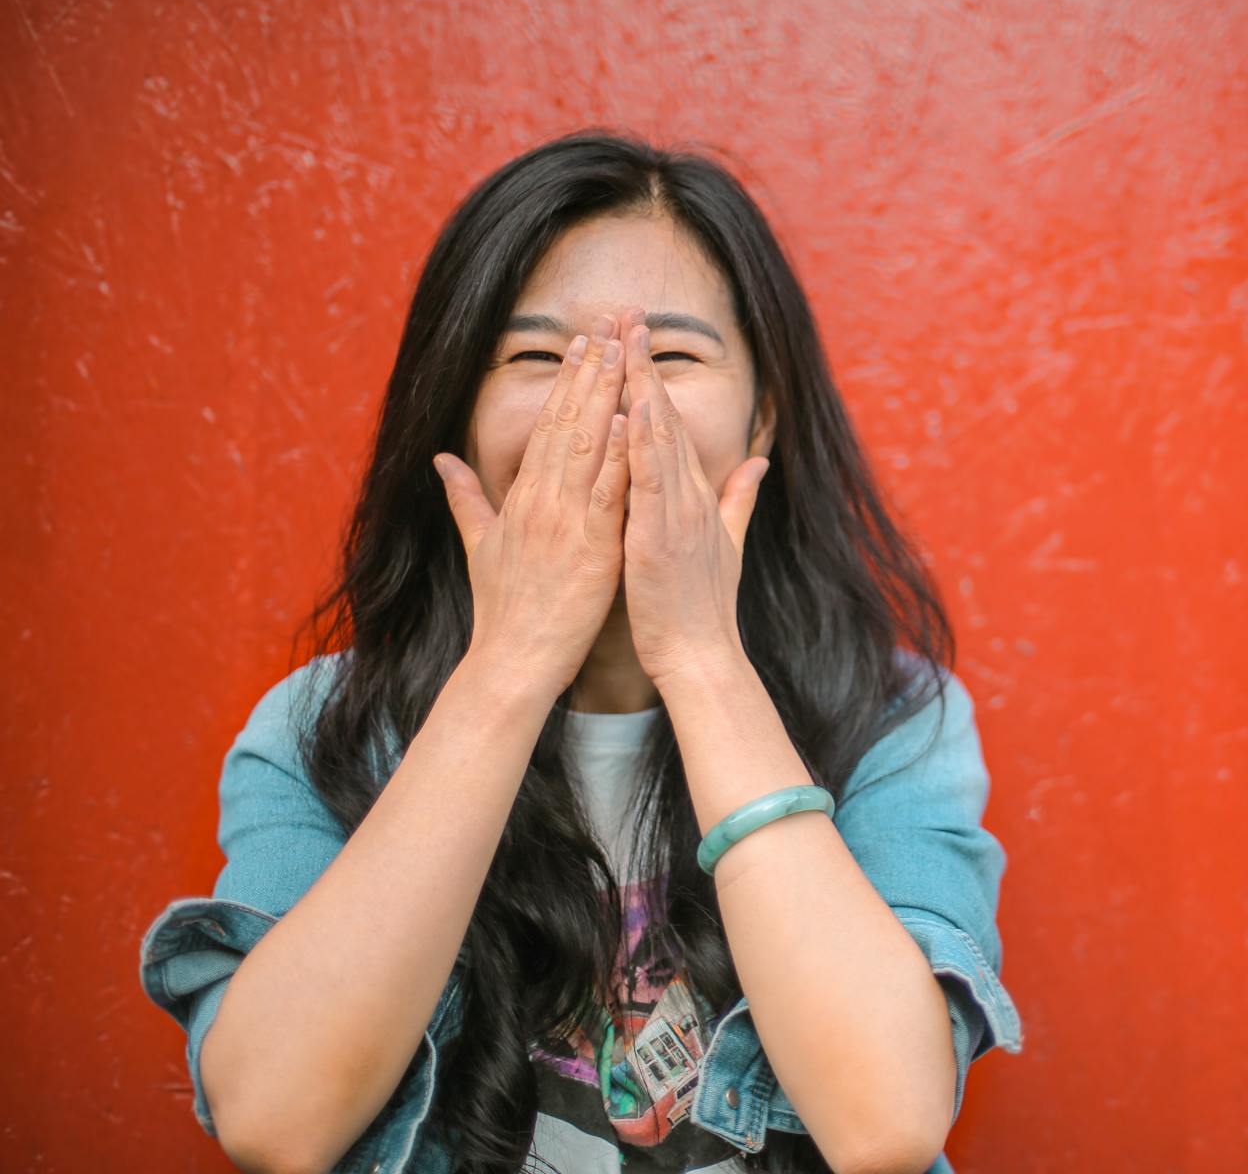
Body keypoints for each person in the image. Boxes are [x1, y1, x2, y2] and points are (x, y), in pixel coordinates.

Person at [137, 131, 1024, 1174]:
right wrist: (512, 663)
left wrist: (699, 653)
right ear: (458, 412)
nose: (607, 401)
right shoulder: (320, 729)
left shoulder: (894, 722)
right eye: (539, 358)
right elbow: (276, 1119)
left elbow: (887, 1123)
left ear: (763, 416)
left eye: (675, 356)